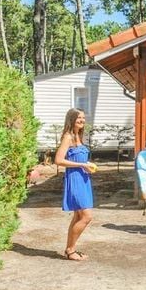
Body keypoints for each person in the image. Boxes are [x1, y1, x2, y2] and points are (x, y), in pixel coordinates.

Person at [54, 108, 95, 261]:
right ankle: (70, 250)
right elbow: (58, 160)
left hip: (84, 179)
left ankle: (70, 250)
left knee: (78, 216)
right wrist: (81, 165)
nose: (82, 120)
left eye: (83, 118)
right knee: (86, 216)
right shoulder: (68, 137)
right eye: (79, 118)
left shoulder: (78, 136)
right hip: (75, 179)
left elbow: (78, 158)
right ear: (71, 119)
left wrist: (87, 164)